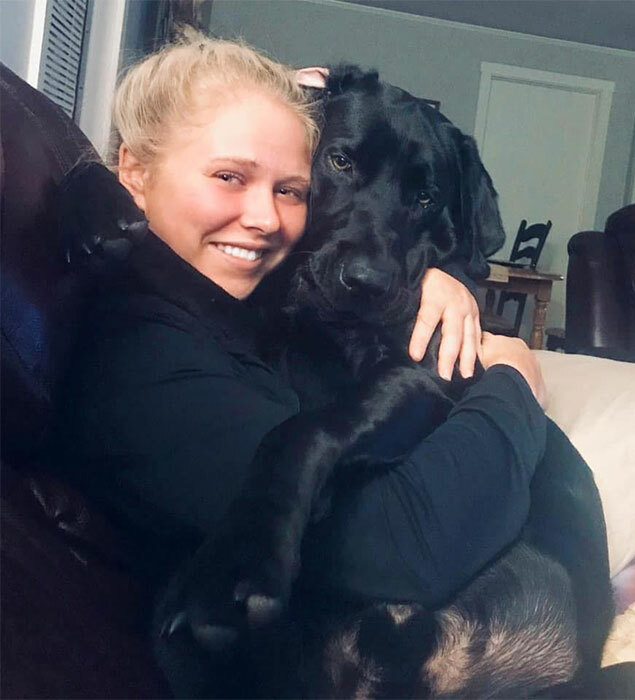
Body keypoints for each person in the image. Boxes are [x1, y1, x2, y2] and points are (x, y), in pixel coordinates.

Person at [57, 32, 550, 696]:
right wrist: (515, 377)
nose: (265, 218)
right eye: (228, 177)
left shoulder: (239, 296)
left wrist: (433, 277)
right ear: (134, 172)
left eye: (291, 188)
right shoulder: (142, 358)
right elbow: (416, 546)